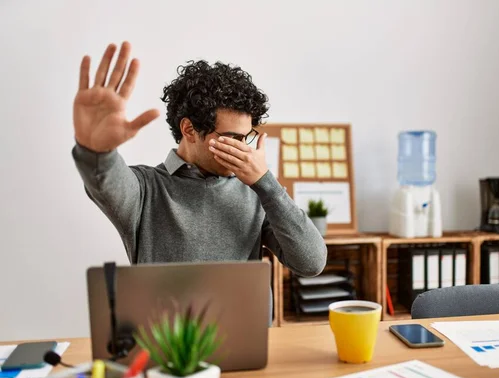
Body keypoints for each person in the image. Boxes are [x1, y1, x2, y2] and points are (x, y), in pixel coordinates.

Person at [71, 41, 327, 317]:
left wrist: (266, 182)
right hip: (167, 352)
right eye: (233, 139)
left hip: (244, 351)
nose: (244, 149)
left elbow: (311, 262)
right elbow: (105, 179)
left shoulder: (257, 191)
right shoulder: (145, 189)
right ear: (189, 129)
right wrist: (96, 150)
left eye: (247, 138)